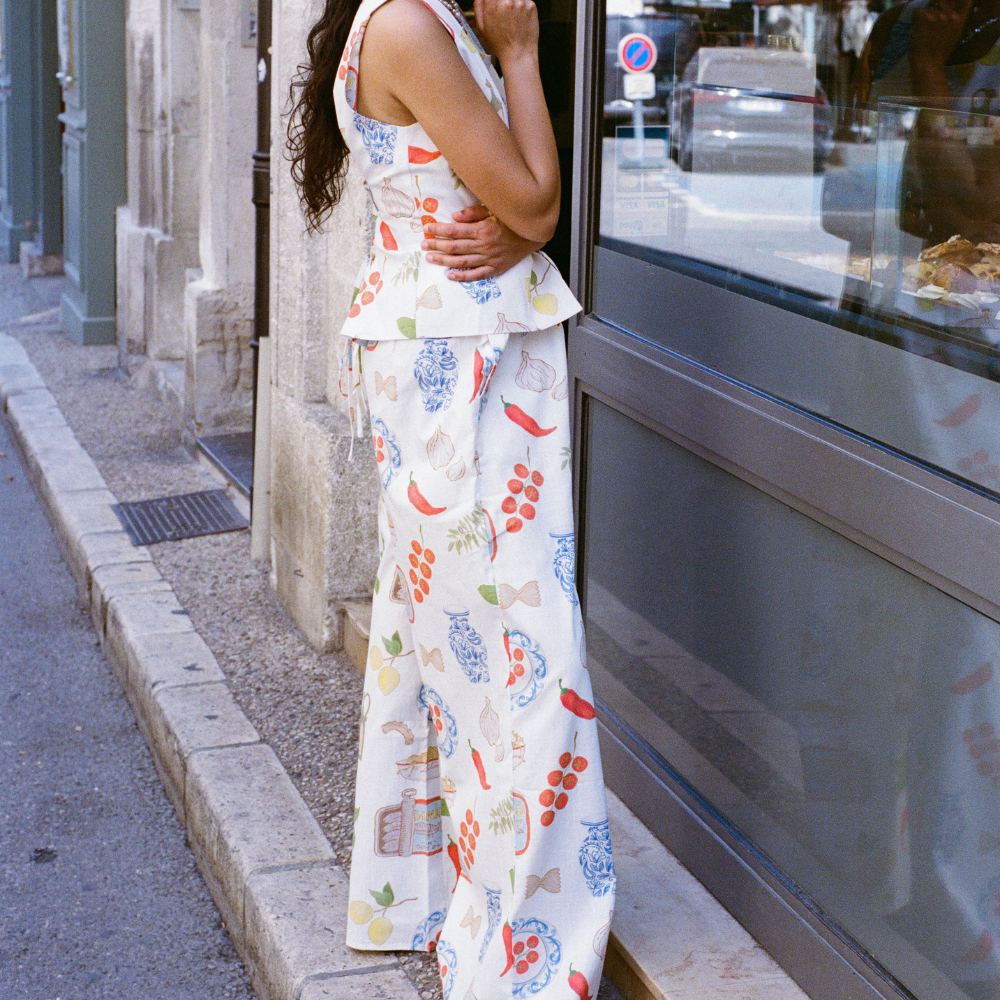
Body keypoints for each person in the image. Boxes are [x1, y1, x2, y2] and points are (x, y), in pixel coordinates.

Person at [287, 0, 616, 997]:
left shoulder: (407, 18)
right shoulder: (411, 26)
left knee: (441, 641)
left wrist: (515, 224)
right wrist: (520, 53)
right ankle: (526, 962)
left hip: (449, 365)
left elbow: (502, 202)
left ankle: (429, 900)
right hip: (462, 379)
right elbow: (537, 202)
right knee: (522, 661)